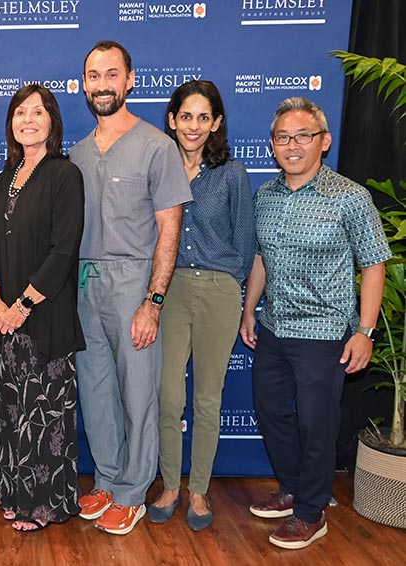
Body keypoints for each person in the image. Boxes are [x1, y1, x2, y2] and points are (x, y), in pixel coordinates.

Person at [239, 97, 390, 549]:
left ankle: (311, 511)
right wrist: (250, 309)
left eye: (302, 136)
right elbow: (262, 258)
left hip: (325, 334)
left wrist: (364, 332)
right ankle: (292, 487)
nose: (292, 144)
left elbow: (375, 265)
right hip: (274, 328)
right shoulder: (264, 196)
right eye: (283, 137)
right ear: (271, 145)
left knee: (316, 423)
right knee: (269, 410)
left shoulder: (350, 197)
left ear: (323, 142)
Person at [69, 40, 192, 535]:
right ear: (84, 85)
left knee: (138, 391)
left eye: (111, 75)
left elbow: (171, 227)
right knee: (96, 389)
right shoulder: (75, 154)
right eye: (93, 76)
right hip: (84, 282)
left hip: (134, 282)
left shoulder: (157, 147)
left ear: (130, 80)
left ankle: (133, 490)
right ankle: (106, 477)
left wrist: (153, 300)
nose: (103, 85)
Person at [148, 80, 255, 530]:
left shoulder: (232, 174)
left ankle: (198, 492)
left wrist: (230, 286)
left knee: (208, 399)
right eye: (185, 116)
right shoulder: (157, 167)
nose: (193, 126)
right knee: (168, 395)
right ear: (172, 120)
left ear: (216, 123)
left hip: (218, 291)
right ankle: (170, 484)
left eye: (203, 117)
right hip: (168, 292)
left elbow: (246, 243)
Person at [0, 84, 85, 532]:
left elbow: (64, 250)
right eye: (19, 112)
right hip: (3, 317)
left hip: (43, 316)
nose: (28, 120)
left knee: (42, 414)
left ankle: (44, 504)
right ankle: (12, 492)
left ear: (52, 122)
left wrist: (21, 304)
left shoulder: (65, 174)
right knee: (9, 410)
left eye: (37, 112)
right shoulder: (6, 178)